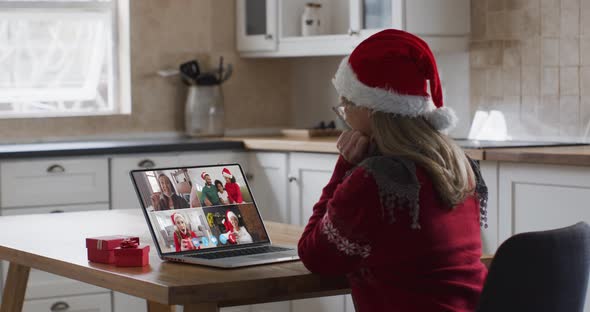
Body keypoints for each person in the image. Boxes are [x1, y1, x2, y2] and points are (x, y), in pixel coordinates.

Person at [297, 29, 488, 312]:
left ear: (371, 109)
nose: (345, 115)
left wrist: (346, 164)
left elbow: (314, 255)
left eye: (346, 104)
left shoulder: (377, 179)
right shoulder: (461, 166)